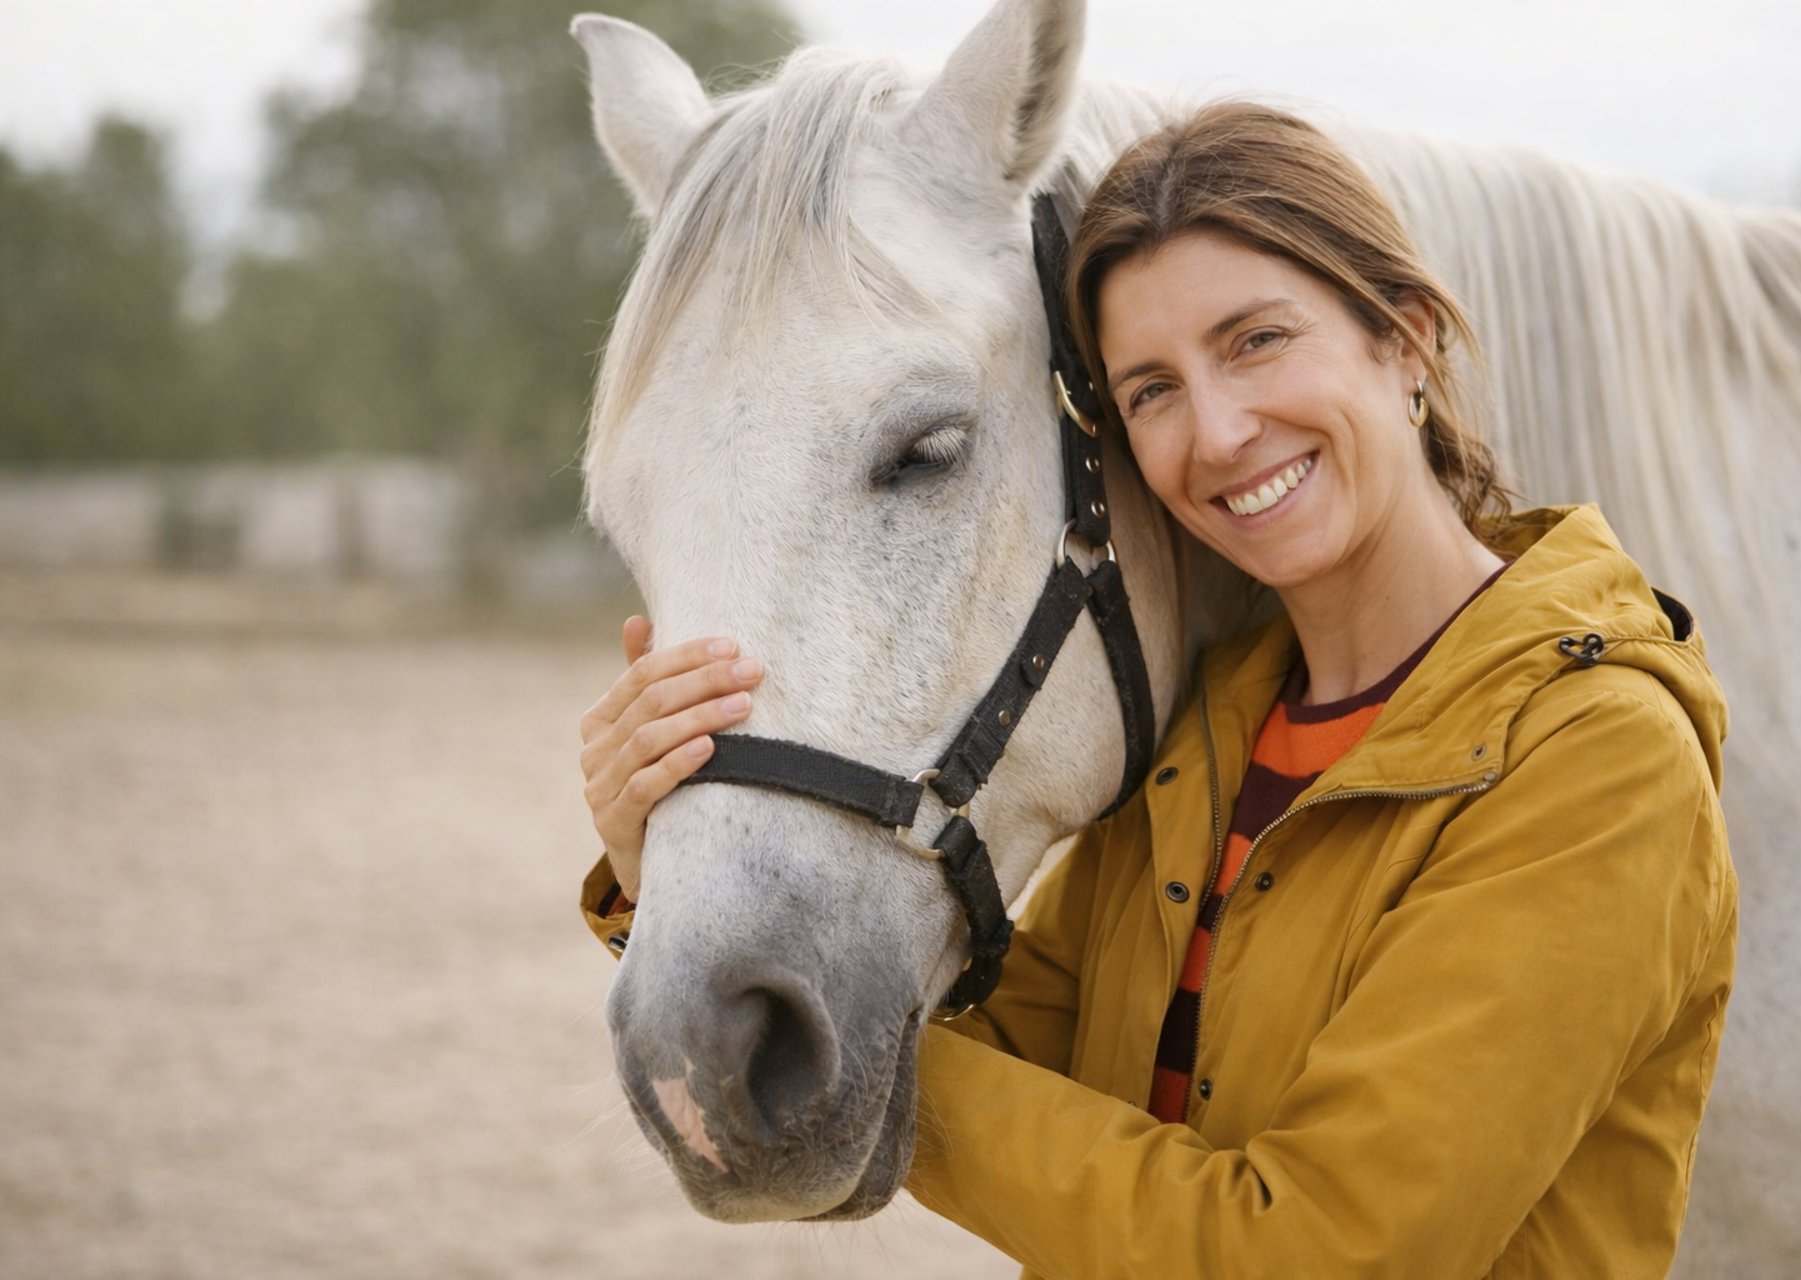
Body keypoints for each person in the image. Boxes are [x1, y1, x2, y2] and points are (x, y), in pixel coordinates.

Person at [576, 103, 1737, 1279]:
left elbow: (1322, 1250)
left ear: (1405, 340)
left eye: (1256, 341)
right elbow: (1032, 1046)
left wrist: (851, 1058)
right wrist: (677, 873)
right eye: (1150, 390)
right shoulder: (1216, 727)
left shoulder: (1597, 756)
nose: (1221, 431)